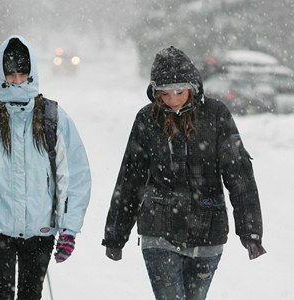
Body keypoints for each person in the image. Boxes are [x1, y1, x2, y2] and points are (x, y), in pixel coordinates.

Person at [102, 46, 266, 300]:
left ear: (193, 86)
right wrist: (115, 234)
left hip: (207, 232)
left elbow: (239, 174)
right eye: (165, 94)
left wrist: (250, 230)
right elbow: (131, 178)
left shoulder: (216, 114)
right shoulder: (147, 119)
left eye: (179, 91)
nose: (173, 100)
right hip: (158, 232)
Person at [0, 35, 92, 300]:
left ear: (32, 74)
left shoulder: (52, 117)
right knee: (0, 296)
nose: (17, 81)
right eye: (11, 76)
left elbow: (73, 175)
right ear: (2, 75)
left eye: (23, 75)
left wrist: (69, 228)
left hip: (40, 228)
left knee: (30, 295)